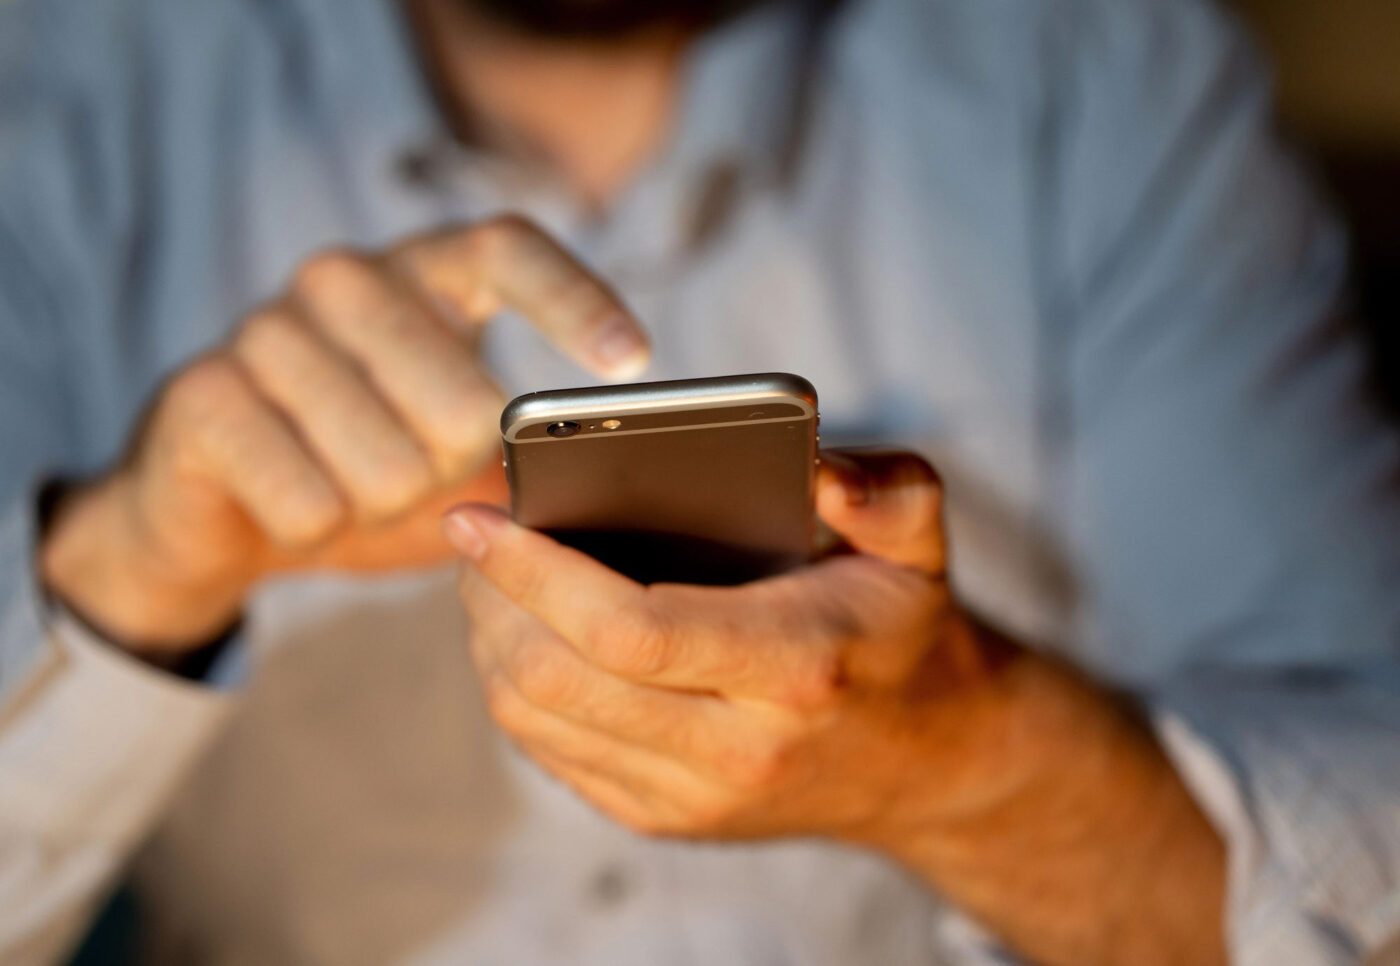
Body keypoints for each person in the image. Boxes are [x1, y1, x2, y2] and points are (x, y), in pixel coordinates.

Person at [1, 0, 1397, 962]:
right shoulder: (60, 96)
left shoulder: (1097, 74)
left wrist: (969, 761)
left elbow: (1373, 839)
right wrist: (123, 574)